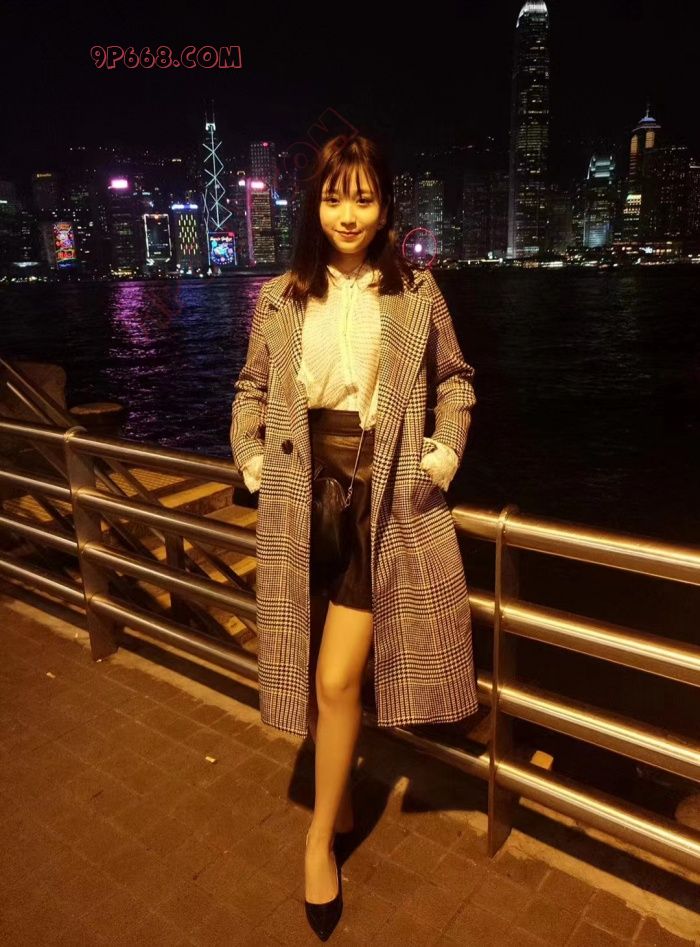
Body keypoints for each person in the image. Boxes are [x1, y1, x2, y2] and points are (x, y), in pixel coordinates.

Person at [230, 133, 479, 938]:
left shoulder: (415, 291)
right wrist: (251, 459)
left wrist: (443, 455)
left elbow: (456, 380)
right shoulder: (280, 296)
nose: (348, 213)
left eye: (363, 197)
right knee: (309, 667)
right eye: (334, 197)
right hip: (300, 495)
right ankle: (335, 802)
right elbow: (250, 389)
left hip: (380, 497)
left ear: (384, 205)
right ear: (314, 205)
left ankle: (318, 839)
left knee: (338, 679)